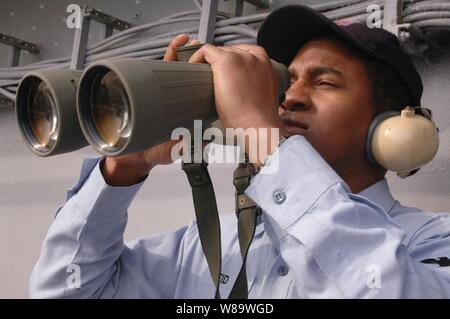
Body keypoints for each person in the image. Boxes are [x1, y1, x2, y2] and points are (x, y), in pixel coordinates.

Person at [30, 5, 450, 298]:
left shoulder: (431, 243)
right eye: (286, 84)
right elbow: (64, 292)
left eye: (324, 83)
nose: (289, 100)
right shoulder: (205, 246)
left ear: (391, 125)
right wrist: (125, 164)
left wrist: (258, 129)